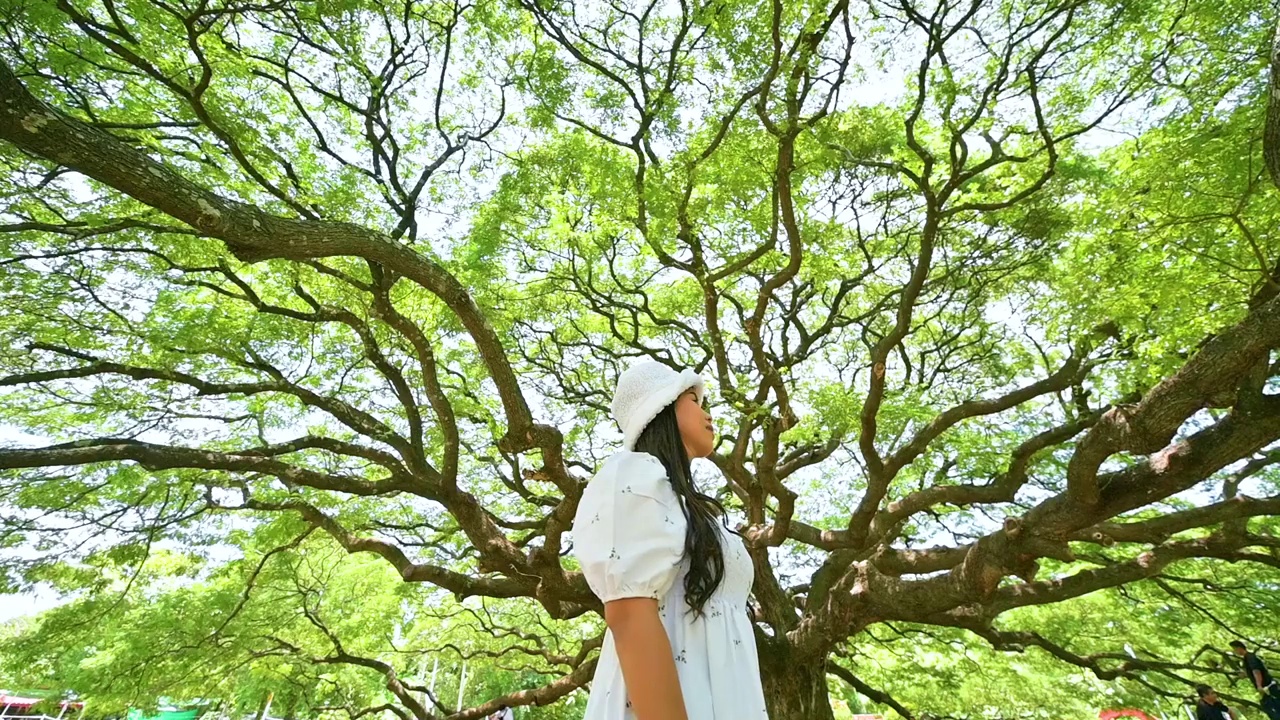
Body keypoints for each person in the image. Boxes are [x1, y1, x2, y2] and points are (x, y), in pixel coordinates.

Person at [571, 361, 769, 720]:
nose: (708, 412)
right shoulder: (634, 477)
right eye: (694, 399)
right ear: (659, 408)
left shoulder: (686, 508)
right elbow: (629, 615)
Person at [1230, 640, 1280, 720]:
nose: (1234, 651)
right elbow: (1252, 672)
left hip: (1268, 687)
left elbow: (1256, 671)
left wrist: (1259, 685)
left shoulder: (1250, 657)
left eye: (1234, 649)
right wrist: (1245, 675)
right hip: (1266, 688)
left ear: (1239, 648)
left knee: (1274, 707)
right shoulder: (1246, 659)